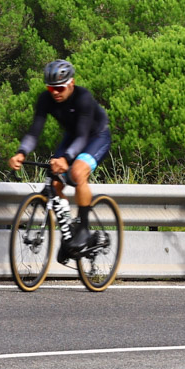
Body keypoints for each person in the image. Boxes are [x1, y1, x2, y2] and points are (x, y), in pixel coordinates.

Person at [8, 59, 112, 263]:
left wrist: (66, 158)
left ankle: (83, 229)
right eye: (51, 88)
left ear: (71, 83)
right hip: (73, 137)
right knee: (54, 185)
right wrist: (21, 153)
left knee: (77, 173)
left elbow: (82, 136)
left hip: (95, 137)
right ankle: (68, 235)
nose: (55, 92)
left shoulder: (83, 97)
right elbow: (34, 132)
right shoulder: (45, 99)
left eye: (60, 88)